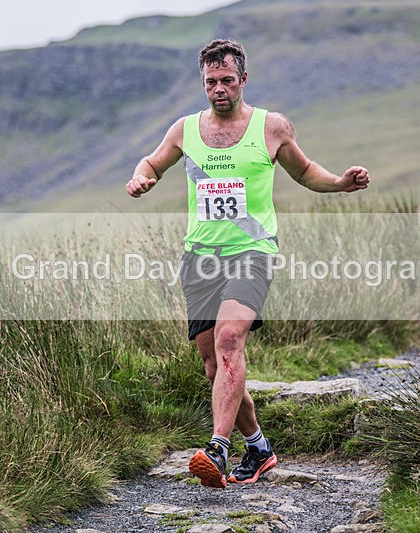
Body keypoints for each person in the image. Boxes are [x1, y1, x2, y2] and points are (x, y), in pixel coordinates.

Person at [126, 39, 370, 489]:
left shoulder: (271, 127)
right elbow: (152, 162)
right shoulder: (185, 129)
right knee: (215, 364)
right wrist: (143, 177)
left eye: (227, 80)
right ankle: (257, 446)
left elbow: (304, 171)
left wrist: (339, 183)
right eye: (210, 82)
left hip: (253, 253)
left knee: (230, 336)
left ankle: (218, 448)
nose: (219, 89)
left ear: (243, 79)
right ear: (203, 83)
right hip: (200, 255)